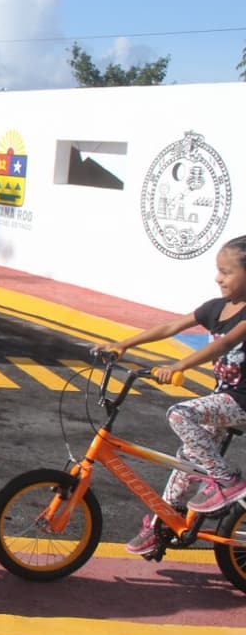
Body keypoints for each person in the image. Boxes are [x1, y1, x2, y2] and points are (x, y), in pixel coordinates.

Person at [93, 234, 246, 556]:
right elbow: (171, 326)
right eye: (218, 270)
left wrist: (180, 364)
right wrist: (124, 344)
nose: (218, 277)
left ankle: (227, 481)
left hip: (241, 401)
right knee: (186, 462)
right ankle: (164, 525)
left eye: (227, 272)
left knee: (180, 413)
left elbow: (224, 344)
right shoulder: (215, 308)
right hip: (224, 399)